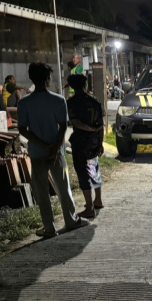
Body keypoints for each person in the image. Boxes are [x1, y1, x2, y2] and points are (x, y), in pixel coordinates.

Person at [18, 62, 89, 237]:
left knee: (42, 191)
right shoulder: (58, 100)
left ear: (32, 79)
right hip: (57, 153)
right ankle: (71, 220)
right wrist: (54, 148)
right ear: (48, 79)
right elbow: (63, 127)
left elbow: (22, 129)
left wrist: (43, 146)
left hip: (36, 153)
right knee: (63, 188)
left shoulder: (24, 103)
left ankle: (49, 228)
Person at [66, 74, 105, 219]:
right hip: (94, 141)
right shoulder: (95, 101)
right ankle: (98, 200)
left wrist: (89, 130)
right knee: (94, 167)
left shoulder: (72, 102)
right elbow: (100, 124)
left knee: (83, 172)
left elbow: (76, 123)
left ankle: (89, 207)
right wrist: (100, 142)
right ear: (85, 84)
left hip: (80, 141)